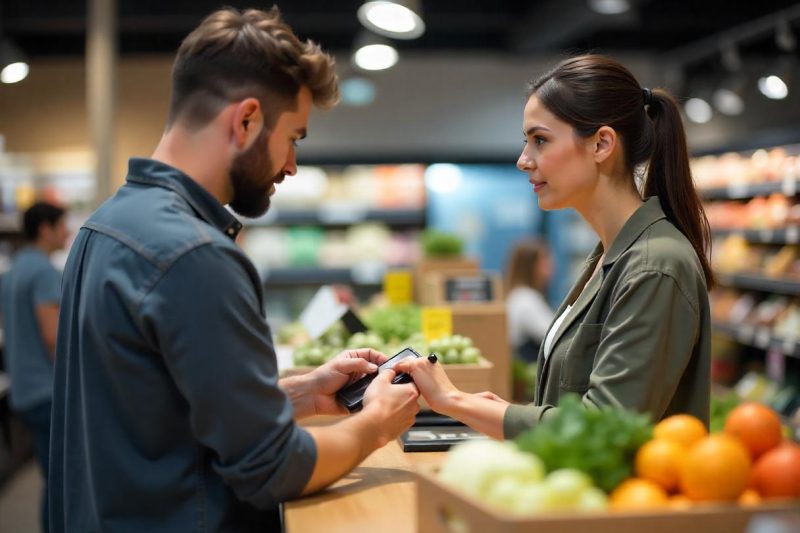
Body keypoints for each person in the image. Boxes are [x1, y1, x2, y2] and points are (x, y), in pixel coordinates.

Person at [48, 8, 419, 532]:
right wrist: (377, 424)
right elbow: (272, 470)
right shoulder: (196, 256)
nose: (292, 165)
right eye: (294, 137)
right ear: (245, 120)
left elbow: (156, 411)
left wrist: (302, 393)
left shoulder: (103, 226)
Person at [395, 54, 713, 440]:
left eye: (540, 140)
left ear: (601, 144)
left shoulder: (654, 265)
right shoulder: (609, 256)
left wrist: (453, 400)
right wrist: (499, 412)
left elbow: (605, 427)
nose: (522, 160)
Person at [1, 201, 68, 533]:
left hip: (23, 390)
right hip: (47, 392)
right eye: (62, 225)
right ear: (46, 229)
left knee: (51, 474)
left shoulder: (13, 270)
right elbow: (52, 336)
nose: (67, 232)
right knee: (61, 481)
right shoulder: (43, 271)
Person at [505, 240, 554, 363]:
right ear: (531, 265)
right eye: (545, 260)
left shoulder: (520, 295)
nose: (551, 265)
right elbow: (553, 336)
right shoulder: (525, 299)